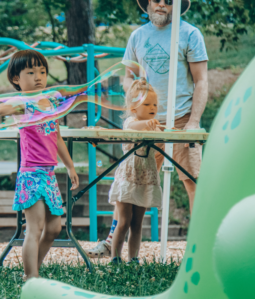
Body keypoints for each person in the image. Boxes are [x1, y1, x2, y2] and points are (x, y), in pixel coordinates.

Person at [87, 0, 208, 258]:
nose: (161, 4)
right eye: (156, 0)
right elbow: (127, 76)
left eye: (167, 0)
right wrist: (135, 105)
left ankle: (199, 245)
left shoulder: (190, 34)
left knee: (194, 181)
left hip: (180, 120)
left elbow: (201, 80)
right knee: (130, 182)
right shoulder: (138, 36)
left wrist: (193, 122)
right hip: (144, 123)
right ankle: (112, 241)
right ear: (148, 4)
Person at [0, 50, 79, 280]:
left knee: (53, 229)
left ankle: (34, 272)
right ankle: (31, 276)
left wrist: (70, 166)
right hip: (31, 174)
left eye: (42, 71)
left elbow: (57, 137)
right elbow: (1, 108)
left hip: (49, 174)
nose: (38, 77)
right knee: (35, 228)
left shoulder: (51, 102)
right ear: (16, 79)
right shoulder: (22, 104)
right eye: (30, 72)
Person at [109, 81, 162, 263]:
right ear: (133, 107)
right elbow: (131, 128)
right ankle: (115, 258)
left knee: (137, 224)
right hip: (128, 178)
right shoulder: (131, 122)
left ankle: (133, 259)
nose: (152, 108)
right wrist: (147, 123)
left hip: (144, 178)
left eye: (154, 105)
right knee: (123, 222)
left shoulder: (152, 125)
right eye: (146, 104)